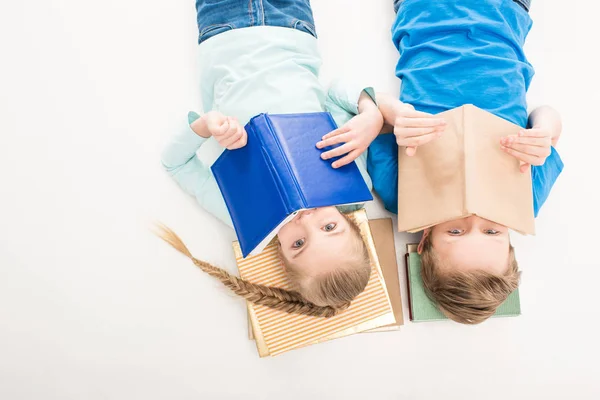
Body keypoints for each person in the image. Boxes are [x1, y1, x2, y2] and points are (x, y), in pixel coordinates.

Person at [158, 0, 385, 317]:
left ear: (282, 257)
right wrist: (370, 112)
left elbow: (175, 164)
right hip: (291, 26)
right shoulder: (354, 180)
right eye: (330, 226)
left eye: (298, 244)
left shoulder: (243, 217)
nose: (308, 222)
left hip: (222, 31)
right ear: (352, 222)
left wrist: (204, 126)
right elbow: (337, 94)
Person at [368, 0, 564, 324]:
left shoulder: (398, 195)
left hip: (425, 12)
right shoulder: (525, 201)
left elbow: (370, 103)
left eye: (456, 231)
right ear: (512, 238)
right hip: (505, 12)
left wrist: (394, 117)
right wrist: (545, 132)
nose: (473, 216)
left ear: (425, 241)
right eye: (492, 231)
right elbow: (548, 116)